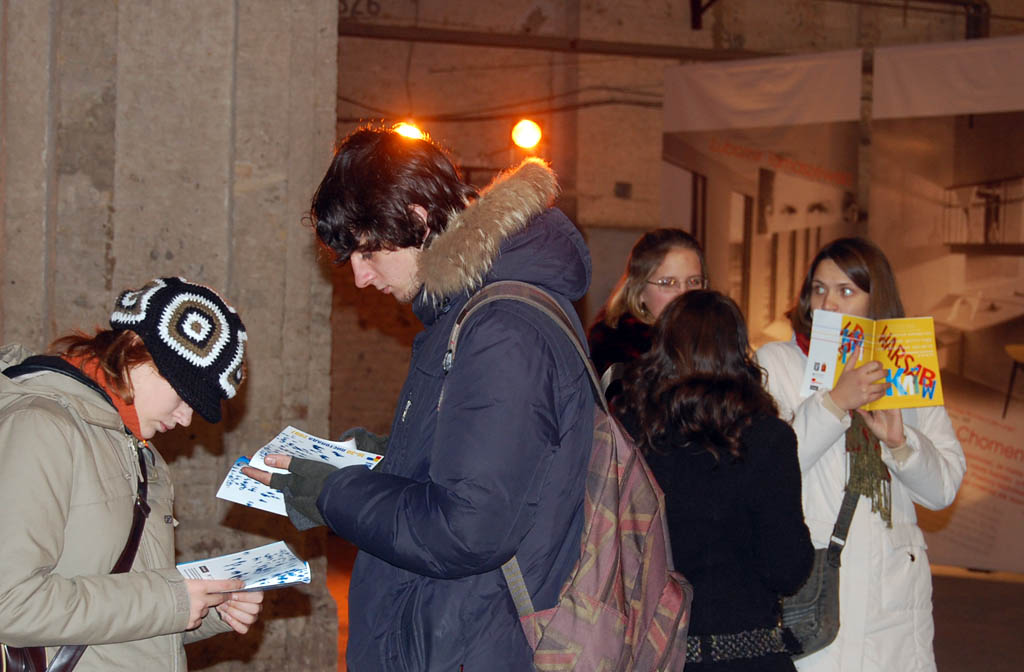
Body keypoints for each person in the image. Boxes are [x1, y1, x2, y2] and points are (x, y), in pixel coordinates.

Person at [243, 126, 594, 671]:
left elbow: (467, 528)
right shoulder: (470, 315)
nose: (360, 278)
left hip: (472, 647)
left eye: (367, 251)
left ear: (419, 218)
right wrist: (381, 457)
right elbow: (487, 469)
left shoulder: (502, 331)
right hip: (453, 635)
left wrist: (332, 492)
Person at [0, 277, 262, 672]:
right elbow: (10, 604)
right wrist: (170, 600)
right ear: (135, 350)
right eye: (184, 395)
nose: (185, 418)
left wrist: (208, 607)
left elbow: (118, 612)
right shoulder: (40, 426)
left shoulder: (137, 449)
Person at [755, 237, 966, 672]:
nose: (828, 303)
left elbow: (943, 489)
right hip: (815, 586)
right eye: (819, 289)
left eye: (846, 291)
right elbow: (769, 470)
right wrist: (834, 403)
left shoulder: (908, 369)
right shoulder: (778, 362)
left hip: (894, 599)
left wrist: (902, 445)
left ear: (876, 299)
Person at [616, 289, 813, 671]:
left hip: (653, 655)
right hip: (746, 655)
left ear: (662, 353)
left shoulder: (631, 434)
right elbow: (788, 570)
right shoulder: (767, 439)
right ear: (738, 355)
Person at [587, 227, 707, 378]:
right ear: (640, 291)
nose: (684, 294)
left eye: (694, 282)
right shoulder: (619, 353)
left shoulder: (716, 343)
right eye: (668, 283)